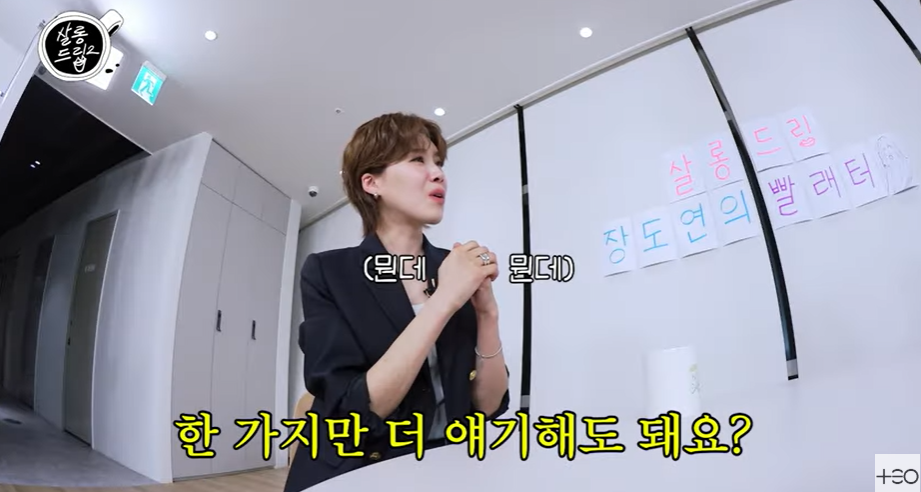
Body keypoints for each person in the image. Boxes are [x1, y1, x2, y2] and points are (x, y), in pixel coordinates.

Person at [284, 113, 511, 492]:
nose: (438, 174)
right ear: (371, 183)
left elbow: (488, 406)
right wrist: (445, 300)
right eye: (417, 160)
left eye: (438, 162)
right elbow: (355, 410)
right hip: (354, 471)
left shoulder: (452, 266)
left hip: (444, 469)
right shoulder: (329, 271)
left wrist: (488, 314)